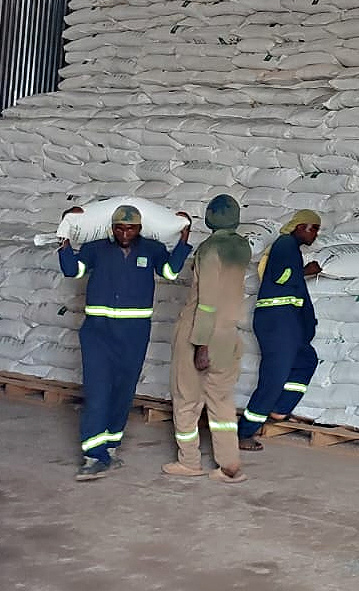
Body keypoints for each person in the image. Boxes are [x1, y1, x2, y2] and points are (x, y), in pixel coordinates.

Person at [58, 204, 192, 481]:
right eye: (119, 227)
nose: (125, 233)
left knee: (123, 389)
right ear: (112, 227)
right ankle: (93, 455)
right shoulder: (95, 249)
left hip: (134, 333)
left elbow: (169, 272)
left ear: (140, 228)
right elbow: (73, 271)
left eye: (131, 228)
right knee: (97, 389)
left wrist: (184, 238)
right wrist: (64, 237)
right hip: (98, 332)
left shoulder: (152, 250)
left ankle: (111, 445)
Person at [163, 195, 252, 484]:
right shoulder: (242, 247)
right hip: (230, 334)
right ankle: (230, 465)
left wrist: (200, 344)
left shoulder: (209, 249)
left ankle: (189, 462)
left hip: (202, 333)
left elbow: (208, 301)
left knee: (186, 399)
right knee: (222, 401)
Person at [237, 210, 322, 451]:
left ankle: (280, 409)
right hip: (276, 321)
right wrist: (307, 271)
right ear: (300, 227)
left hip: (287, 321)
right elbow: (281, 276)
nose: (315, 234)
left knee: (306, 360)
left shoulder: (291, 248)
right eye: (313, 228)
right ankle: (245, 431)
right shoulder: (285, 245)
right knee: (274, 377)